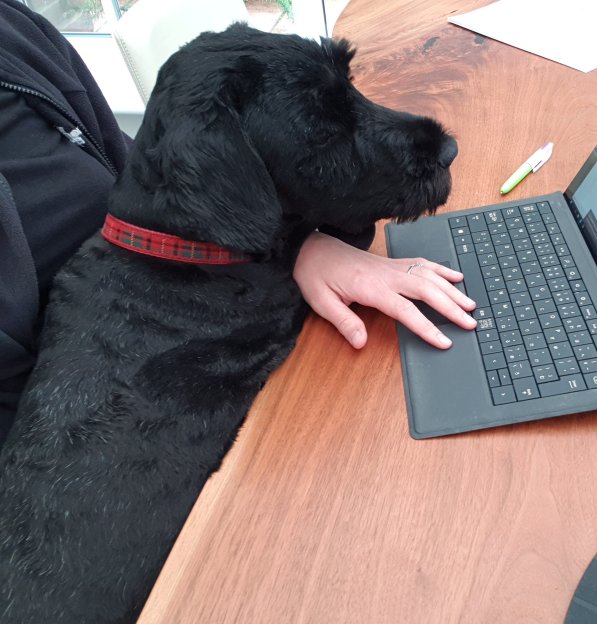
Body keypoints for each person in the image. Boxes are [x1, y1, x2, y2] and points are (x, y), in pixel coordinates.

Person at [0, 0, 476, 447]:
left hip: (189, 263)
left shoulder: (14, 24)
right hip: (111, 388)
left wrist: (298, 245)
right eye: (326, 133)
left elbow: (119, 160)